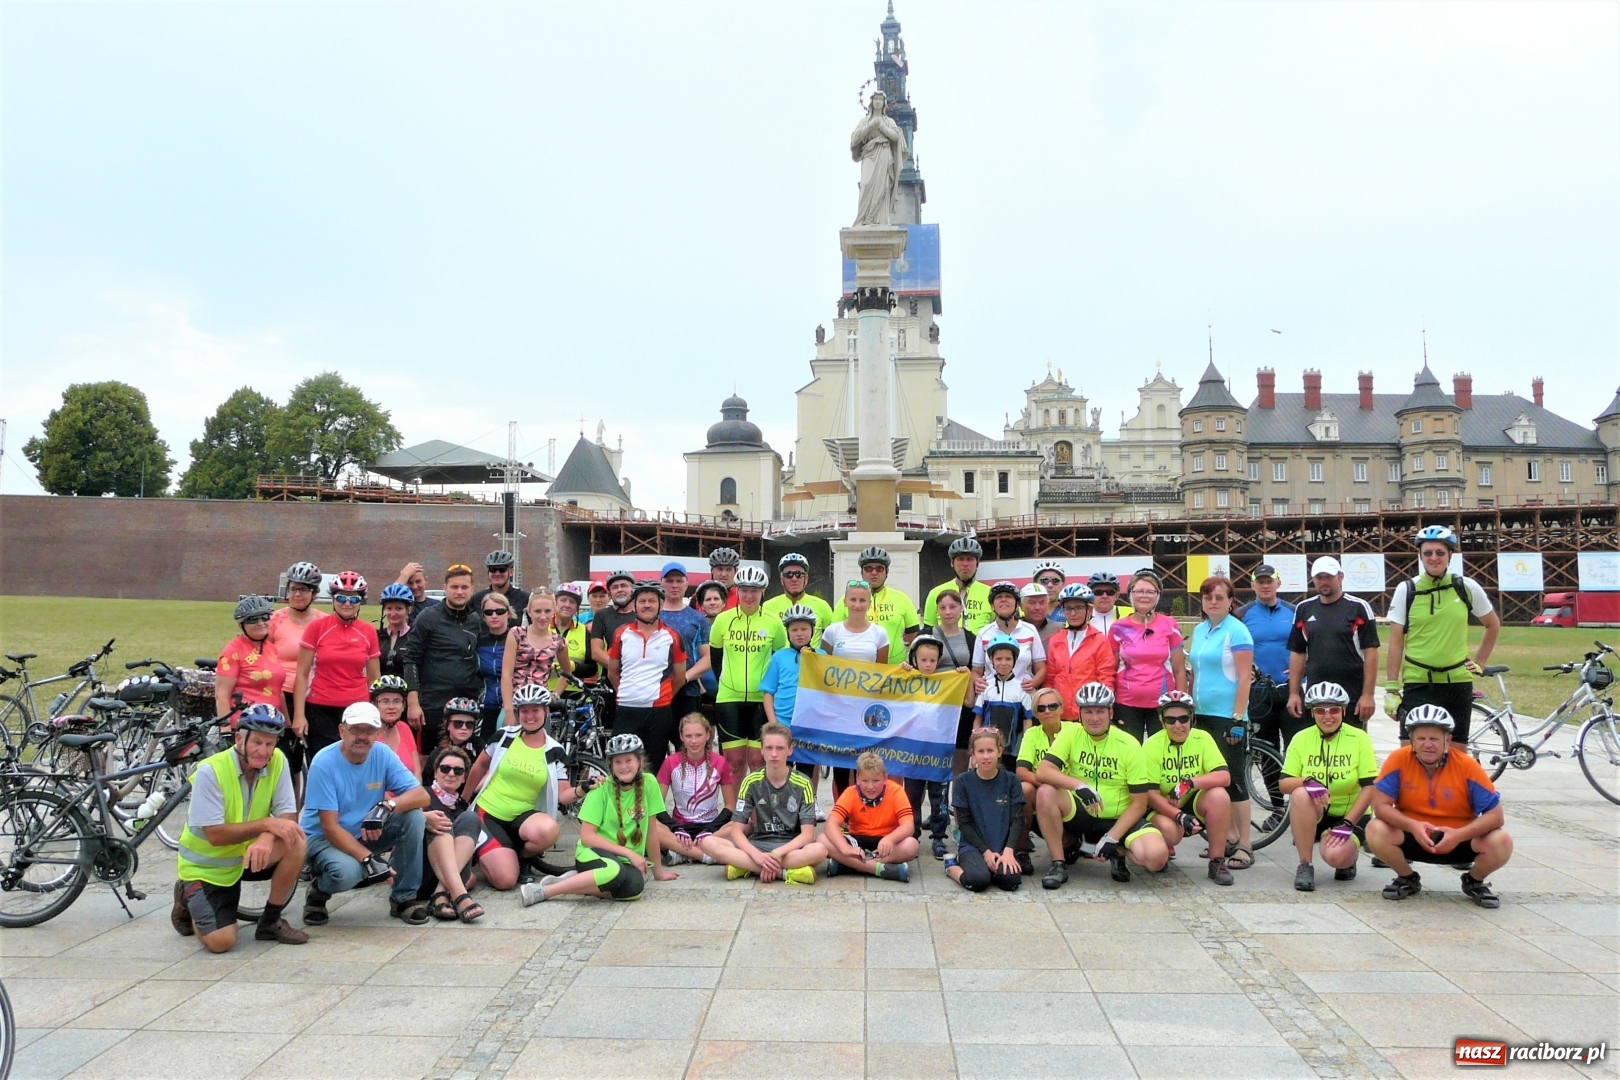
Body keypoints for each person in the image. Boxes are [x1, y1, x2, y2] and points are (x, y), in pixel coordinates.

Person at [171, 703, 308, 949]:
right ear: (238, 738)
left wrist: (267, 836)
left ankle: (270, 920)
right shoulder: (210, 771)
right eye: (256, 742)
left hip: (247, 855)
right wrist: (267, 824)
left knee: (296, 839)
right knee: (221, 942)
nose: (263, 751)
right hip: (207, 867)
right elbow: (214, 835)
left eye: (269, 743)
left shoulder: (278, 760)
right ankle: (186, 895)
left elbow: (288, 815)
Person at [301, 701, 435, 926]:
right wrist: (368, 859)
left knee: (414, 816)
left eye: (369, 730)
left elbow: (422, 796)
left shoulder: (382, 753)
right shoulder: (324, 762)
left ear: (378, 732)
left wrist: (385, 807)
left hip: (366, 829)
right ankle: (318, 891)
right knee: (348, 873)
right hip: (324, 839)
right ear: (342, 730)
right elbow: (329, 827)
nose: (362, 736)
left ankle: (404, 898)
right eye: (355, 729)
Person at [1367, 704, 1512, 908]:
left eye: (1434, 738)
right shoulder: (1398, 759)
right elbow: (1380, 806)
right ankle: (1407, 877)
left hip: (1459, 838)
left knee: (1501, 840)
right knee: (1375, 829)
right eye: (1421, 739)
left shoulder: (1467, 765)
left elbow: (1496, 816)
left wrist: (1458, 835)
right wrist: (1413, 826)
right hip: (1413, 835)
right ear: (1412, 741)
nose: (1428, 744)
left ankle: (1474, 881)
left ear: (1448, 740)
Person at [1035, 682, 1167, 888]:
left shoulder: (1129, 743)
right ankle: (1058, 863)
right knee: (1045, 792)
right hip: (1082, 814)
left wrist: (1113, 837)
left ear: (1111, 712)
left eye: (1100, 711)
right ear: (1079, 713)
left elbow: (1140, 804)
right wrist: (1079, 785)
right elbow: (1043, 771)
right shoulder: (1070, 734)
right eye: (1088, 712)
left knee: (1156, 857)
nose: (1094, 718)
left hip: (1118, 817)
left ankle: (1117, 851)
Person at [521, 733, 677, 904]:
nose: (623, 766)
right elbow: (587, 837)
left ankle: (579, 881)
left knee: (634, 889)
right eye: (617, 762)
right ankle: (546, 891)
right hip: (592, 852)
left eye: (628, 760)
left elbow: (652, 831)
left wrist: (659, 873)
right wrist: (628, 853)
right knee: (614, 872)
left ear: (639, 761)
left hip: (622, 860)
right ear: (611, 764)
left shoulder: (649, 783)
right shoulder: (600, 788)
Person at [1386, 525, 1500, 746]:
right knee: (1411, 754)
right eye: (1427, 553)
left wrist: (1480, 662)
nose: (1434, 558)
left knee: (1457, 757)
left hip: (1456, 683)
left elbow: (1492, 625)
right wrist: (1391, 687)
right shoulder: (1407, 589)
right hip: (1418, 682)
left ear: (1450, 555)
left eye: (1440, 552)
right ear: (1420, 555)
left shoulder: (1465, 587)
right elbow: (1396, 641)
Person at [457, 684, 572, 893]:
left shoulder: (555, 750)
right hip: (488, 813)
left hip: (522, 816)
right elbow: (480, 766)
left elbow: (564, 795)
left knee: (549, 830)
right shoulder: (504, 736)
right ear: (518, 713)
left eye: (535, 710)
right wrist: (463, 801)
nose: (529, 716)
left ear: (546, 712)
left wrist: (585, 789)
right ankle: (483, 849)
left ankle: (519, 855)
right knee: (506, 880)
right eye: (524, 711)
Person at [1281, 681, 1379, 892]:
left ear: (1343, 710)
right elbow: (1284, 784)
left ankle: (1348, 858)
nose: (1328, 716)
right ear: (1312, 713)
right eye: (1320, 710)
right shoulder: (1301, 738)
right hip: (1317, 810)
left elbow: (1370, 788)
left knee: (1337, 857)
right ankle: (1305, 864)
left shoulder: (1359, 738)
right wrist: (1306, 781)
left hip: (1349, 812)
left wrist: (1348, 822)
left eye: (1334, 710)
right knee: (1299, 794)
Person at [1186, 575, 1256, 870]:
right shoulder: (1201, 630)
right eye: (1207, 597)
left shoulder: (1237, 631)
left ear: (1230, 601)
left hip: (1228, 715)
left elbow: (1244, 678)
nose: (1212, 602)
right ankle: (1224, 837)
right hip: (1202, 713)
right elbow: (1195, 672)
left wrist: (1238, 717)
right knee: (1211, 778)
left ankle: (1245, 844)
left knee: (1235, 779)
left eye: (1219, 597)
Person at [701, 722, 826, 883]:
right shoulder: (751, 781)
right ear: (761, 750)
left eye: (780, 748)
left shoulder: (803, 783)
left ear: (790, 750)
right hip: (758, 844)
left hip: (790, 847)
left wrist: (777, 854)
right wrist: (757, 856)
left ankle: (745, 866)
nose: (774, 754)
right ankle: (783, 872)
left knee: (820, 850)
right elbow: (737, 831)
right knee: (707, 842)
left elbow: (807, 835)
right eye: (769, 748)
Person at [1142, 690, 1235, 885]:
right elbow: (1150, 795)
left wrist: (1189, 783)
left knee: (1219, 796)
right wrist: (1178, 816)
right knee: (1171, 832)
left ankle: (1217, 861)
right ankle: (1162, 846)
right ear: (1162, 721)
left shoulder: (1203, 738)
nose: (1178, 725)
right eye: (1171, 720)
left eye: (1184, 719)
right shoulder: (1151, 745)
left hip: (1192, 799)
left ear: (1191, 718)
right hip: (1164, 804)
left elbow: (1224, 776)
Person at [293, 570, 381, 760]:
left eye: (354, 599)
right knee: (322, 761)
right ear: (333, 600)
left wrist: (375, 713)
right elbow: (301, 673)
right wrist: (299, 715)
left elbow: (374, 679)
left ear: (361, 602)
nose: (347, 603)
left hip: (357, 708)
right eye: (341, 598)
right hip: (320, 707)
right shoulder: (317, 627)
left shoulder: (368, 631)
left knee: (355, 761)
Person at [710, 565, 787, 777]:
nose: (749, 595)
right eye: (744, 590)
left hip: (761, 700)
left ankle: (758, 811)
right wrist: (726, 682)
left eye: (754, 590)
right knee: (733, 762)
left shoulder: (774, 622)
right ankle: (734, 810)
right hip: (729, 698)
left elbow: (781, 662)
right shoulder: (723, 620)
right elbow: (716, 660)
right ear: (737, 591)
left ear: (763, 591)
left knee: (757, 761)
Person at [1287, 557, 1380, 728]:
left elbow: (1371, 653)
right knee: (1316, 746)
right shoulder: (1304, 609)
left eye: (1329, 577)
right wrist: (1294, 693)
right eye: (1319, 577)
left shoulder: (1359, 607)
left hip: (1352, 693)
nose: (1324, 582)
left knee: (1351, 744)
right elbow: (1298, 653)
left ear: (1340, 577)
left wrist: (1368, 695)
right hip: (1316, 693)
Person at [403, 564, 485, 752]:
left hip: (465, 703)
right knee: (428, 758)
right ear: (445, 588)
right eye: (454, 587)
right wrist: (413, 703)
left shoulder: (474, 620)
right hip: (432, 703)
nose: (459, 592)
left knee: (461, 760)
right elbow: (411, 659)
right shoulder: (428, 617)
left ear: (472, 590)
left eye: (464, 587)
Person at [607, 581, 688, 772]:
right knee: (622, 768)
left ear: (660, 604)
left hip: (658, 712)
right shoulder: (621, 634)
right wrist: (628, 692)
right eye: (641, 600)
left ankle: (649, 803)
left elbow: (679, 676)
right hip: (626, 709)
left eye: (652, 600)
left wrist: (664, 696)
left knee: (652, 770)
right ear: (634, 605)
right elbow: (612, 672)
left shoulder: (672, 637)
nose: (647, 605)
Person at [820, 579, 891, 796]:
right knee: (841, 763)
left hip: (867, 708)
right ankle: (842, 812)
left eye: (862, 600)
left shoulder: (879, 634)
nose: (857, 604)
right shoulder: (832, 632)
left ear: (869, 603)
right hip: (839, 708)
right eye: (853, 599)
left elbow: (883, 672)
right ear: (845, 602)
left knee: (865, 761)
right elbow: (822, 667)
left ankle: (865, 806)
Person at [267, 560, 323, 793]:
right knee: (286, 761)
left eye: (303, 589)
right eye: (293, 589)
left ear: (314, 593)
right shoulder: (275, 620)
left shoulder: (323, 620)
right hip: (281, 694)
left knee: (307, 758)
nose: (297, 594)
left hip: (313, 695)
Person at [1109, 571, 1186, 742]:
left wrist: (1181, 702)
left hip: (1163, 703)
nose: (1144, 596)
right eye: (1139, 591)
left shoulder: (1169, 624)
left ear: (1158, 596)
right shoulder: (1118, 627)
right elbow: (1111, 669)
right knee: (1129, 754)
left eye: (1150, 591)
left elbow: (1179, 669)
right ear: (1130, 594)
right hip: (1126, 703)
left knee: (1161, 754)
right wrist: (1109, 703)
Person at [946, 727, 1025, 893]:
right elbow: (965, 824)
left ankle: (993, 868)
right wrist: (986, 852)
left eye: (990, 750)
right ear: (973, 754)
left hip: (1002, 845)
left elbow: (1017, 819)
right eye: (981, 751)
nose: (986, 756)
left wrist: (1009, 851)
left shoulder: (1011, 780)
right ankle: (952, 867)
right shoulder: (963, 781)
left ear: (999, 752)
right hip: (974, 846)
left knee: (1011, 881)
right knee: (978, 881)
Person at [822, 752, 918, 881]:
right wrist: (845, 849)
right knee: (822, 840)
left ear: (885, 778)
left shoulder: (896, 791)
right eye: (865, 781)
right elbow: (830, 824)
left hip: (886, 843)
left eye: (876, 781)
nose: (870, 786)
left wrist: (890, 839)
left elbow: (908, 826)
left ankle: (847, 865)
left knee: (912, 845)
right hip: (856, 840)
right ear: (857, 779)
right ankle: (880, 869)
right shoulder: (851, 792)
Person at [656, 713, 736, 865]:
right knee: (651, 826)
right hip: (680, 829)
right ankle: (704, 854)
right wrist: (675, 828)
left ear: (708, 735)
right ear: (681, 737)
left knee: (744, 825)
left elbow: (730, 805)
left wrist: (710, 829)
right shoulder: (670, 762)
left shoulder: (720, 762)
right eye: (688, 736)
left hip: (711, 828)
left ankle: (682, 853)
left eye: (698, 735)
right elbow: (657, 804)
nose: (693, 741)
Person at [898, 635, 951, 858]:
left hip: (938, 750)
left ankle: (939, 838)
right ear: (915, 660)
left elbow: (966, 701)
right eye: (923, 660)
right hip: (913, 751)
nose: (928, 664)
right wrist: (900, 672)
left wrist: (963, 677)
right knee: (912, 797)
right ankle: (913, 834)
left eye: (932, 660)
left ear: (938, 661)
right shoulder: (908, 680)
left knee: (939, 797)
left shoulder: (946, 682)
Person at [419, 744, 483, 922]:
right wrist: (423, 817)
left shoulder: (462, 808)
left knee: (471, 818)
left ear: (464, 778)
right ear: (435, 772)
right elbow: (400, 820)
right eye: (445, 768)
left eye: (458, 771)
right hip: (422, 873)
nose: (451, 774)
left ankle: (441, 893)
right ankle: (459, 896)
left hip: (447, 878)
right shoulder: (422, 795)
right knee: (440, 820)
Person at [922, 588, 978, 782]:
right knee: (927, 756)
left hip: (961, 704)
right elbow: (915, 665)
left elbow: (976, 669)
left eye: (953, 607)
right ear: (937, 610)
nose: (948, 612)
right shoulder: (927, 635)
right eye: (943, 607)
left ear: (961, 608)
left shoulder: (971, 638)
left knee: (960, 754)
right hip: (932, 703)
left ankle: (957, 804)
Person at [1013, 687, 1067, 875]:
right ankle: (1021, 847)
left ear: (1062, 708)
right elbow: (1021, 770)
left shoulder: (1075, 730)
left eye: (1052, 706)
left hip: (1069, 795)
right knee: (1024, 788)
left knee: (1069, 845)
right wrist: (1047, 783)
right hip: (1041, 791)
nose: (1047, 711)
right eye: (1041, 708)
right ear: (1035, 713)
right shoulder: (1032, 734)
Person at [760, 604, 817, 781]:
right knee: (782, 773)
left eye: (804, 629)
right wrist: (773, 723)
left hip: (809, 725)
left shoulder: (821, 656)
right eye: (794, 630)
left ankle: (807, 805)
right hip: (784, 724)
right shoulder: (779, 657)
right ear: (788, 632)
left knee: (806, 773)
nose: (799, 633)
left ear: (812, 630)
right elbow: (768, 692)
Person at [831, 547, 920, 659]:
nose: (874, 573)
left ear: (887, 571)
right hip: (857, 670)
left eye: (879, 569)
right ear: (861, 572)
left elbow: (915, 641)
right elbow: (833, 638)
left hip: (894, 670)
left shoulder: (902, 598)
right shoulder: (847, 600)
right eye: (868, 568)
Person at [1045, 584, 1114, 721]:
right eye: (1068, 608)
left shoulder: (1100, 640)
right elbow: (1051, 678)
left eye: (1079, 608)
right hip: (1060, 713)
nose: (1073, 613)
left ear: (1089, 610)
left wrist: (1106, 707)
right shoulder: (1056, 640)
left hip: (1088, 712)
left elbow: (1106, 677)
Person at [503, 589, 571, 721]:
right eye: (538, 611)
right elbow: (506, 674)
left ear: (554, 611)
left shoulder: (558, 641)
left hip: (540, 707)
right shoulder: (516, 634)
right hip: (516, 704)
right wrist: (509, 711)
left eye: (547, 611)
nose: (543, 616)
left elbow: (567, 673)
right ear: (529, 612)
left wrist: (555, 695)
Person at [657, 563, 712, 720]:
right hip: (655, 690)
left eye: (679, 581)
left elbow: (707, 658)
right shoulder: (652, 615)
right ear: (662, 582)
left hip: (688, 692)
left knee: (688, 741)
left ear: (687, 583)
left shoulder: (697, 618)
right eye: (669, 581)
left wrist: (684, 677)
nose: (674, 585)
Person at [971, 581, 1046, 695]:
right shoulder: (984, 633)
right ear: (992, 605)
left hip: (1024, 695)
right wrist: (978, 682)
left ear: (1017, 604)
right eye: (999, 597)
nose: (1003, 600)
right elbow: (976, 671)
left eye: (1009, 596)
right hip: (992, 696)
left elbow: (1041, 668)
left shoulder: (1030, 630)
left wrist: (1034, 683)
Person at [215, 595, 283, 718]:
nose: (261, 623)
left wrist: (287, 723)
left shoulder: (271, 648)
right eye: (253, 619)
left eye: (264, 617)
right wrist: (225, 732)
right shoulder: (232, 651)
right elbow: (222, 696)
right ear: (241, 625)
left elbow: (278, 691)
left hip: (272, 723)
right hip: (245, 725)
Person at [974, 634, 1034, 766]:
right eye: (999, 659)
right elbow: (977, 720)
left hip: (1013, 751)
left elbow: (1027, 723)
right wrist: (973, 749)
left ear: (1015, 660)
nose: (1003, 663)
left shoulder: (1022, 688)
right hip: (988, 751)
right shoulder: (986, 686)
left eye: (1008, 659)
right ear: (991, 660)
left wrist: (1026, 749)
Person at [761, 553, 835, 649]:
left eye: (799, 574)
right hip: (780, 662)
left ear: (806, 578)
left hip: (811, 661)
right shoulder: (768, 607)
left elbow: (831, 641)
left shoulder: (822, 606)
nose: (794, 579)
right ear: (782, 580)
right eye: (789, 575)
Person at [923, 537, 993, 633]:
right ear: (952, 562)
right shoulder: (935, 593)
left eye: (970, 559)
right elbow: (928, 631)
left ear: (977, 563)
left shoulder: (991, 593)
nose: (965, 564)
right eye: (960, 559)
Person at [475, 591, 513, 740]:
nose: (494, 616)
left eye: (500, 611)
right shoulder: (478, 641)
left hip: (512, 707)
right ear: (483, 616)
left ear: (508, 613)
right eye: (489, 612)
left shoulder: (518, 639)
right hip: (486, 708)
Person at [371, 675, 420, 779]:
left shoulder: (404, 728)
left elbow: (417, 774)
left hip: (411, 793)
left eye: (397, 701)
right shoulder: (367, 733)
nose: (391, 707)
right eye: (385, 701)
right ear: (375, 705)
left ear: (403, 706)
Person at [552, 583, 598, 689]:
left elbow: (592, 668)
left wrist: (573, 666)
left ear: (577, 608)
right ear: (555, 603)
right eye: (563, 600)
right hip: (542, 693)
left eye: (572, 602)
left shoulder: (584, 631)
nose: (567, 605)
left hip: (574, 695)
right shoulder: (543, 627)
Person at [471, 550, 529, 625]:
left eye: (502, 570)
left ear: (511, 572)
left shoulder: (525, 599)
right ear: (488, 572)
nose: (497, 573)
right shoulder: (476, 600)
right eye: (493, 570)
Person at [376, 583, 416, 682]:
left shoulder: (415, 636)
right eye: (389, 608)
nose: (393, 613)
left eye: (398, 608)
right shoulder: (377, 635)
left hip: (408, 693)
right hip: (381, 694)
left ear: (409, 610)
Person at [432, 697, 487, 768]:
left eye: (469, 724)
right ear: (447, 725)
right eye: (458, 723)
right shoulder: (437, 753)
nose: (464, 728)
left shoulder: (481, 748)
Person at [1032, 561, 1067, 628]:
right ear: (1035, 584)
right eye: (1044, 580)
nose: (1050, 585)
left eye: (1055, 581)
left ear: (1062, 584)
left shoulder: (1071, 608)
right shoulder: (1025, 609)